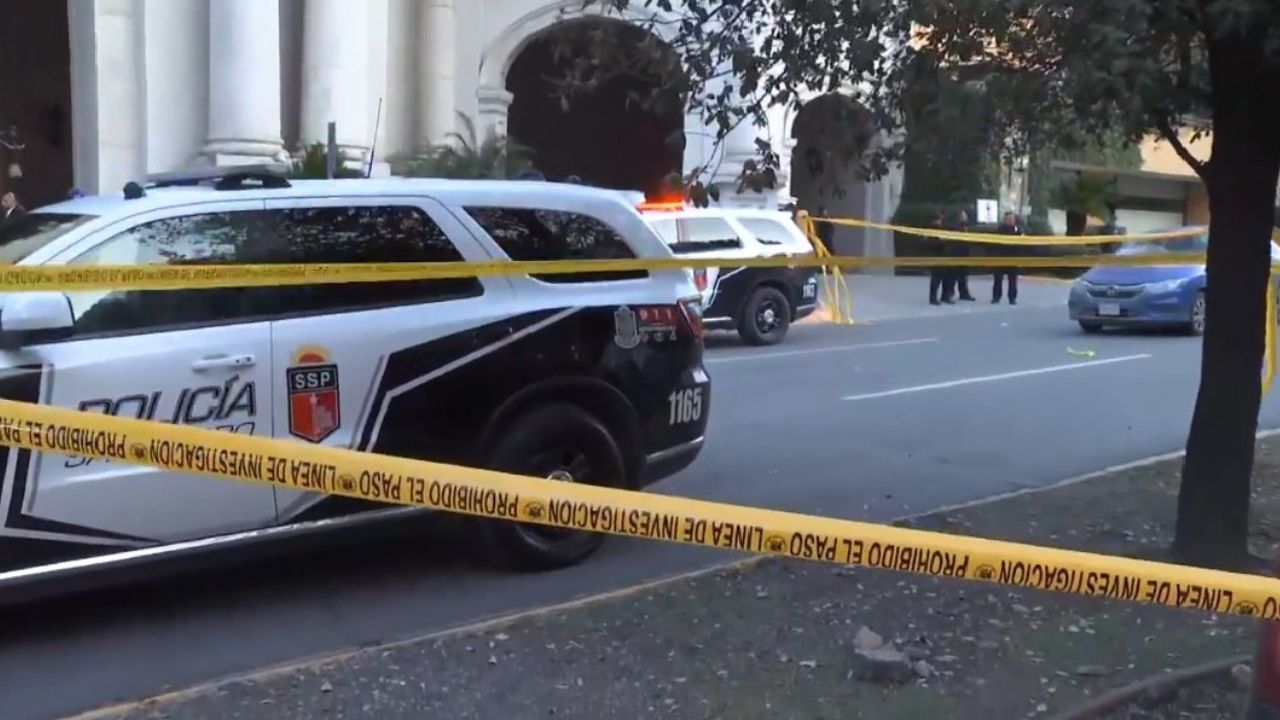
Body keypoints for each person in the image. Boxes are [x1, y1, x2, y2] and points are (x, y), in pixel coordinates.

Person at [944, 209, 976, 301]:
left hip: (964, 253)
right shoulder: (954, 227)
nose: (965, 218)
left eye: (965, 216)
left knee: (963, 276)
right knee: (952, 276)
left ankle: (964, 293)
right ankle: (949, 293)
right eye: (963, 216)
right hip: (955, 254)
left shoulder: (966, 227)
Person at [992, 211, 1021, 304]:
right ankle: (996, 297)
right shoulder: (999, 231)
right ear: (1004, 220)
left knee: (1013, 280)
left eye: (1012, 219)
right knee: (997, 279)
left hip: (1013, 258)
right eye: (1008, 219)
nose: (1011, 221)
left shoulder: (1017, 231)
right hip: (1000, 258)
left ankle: (1012, 298)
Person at [927, 210, 949, 305]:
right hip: (936, 257)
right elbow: (932, 244)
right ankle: (933, 298)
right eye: (939, 219)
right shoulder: (932, 230)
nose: (940, 221)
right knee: (936, 279)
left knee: (946, 278)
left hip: (943, 256)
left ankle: (945, 296)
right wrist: (943, 241)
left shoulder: (941, 229)